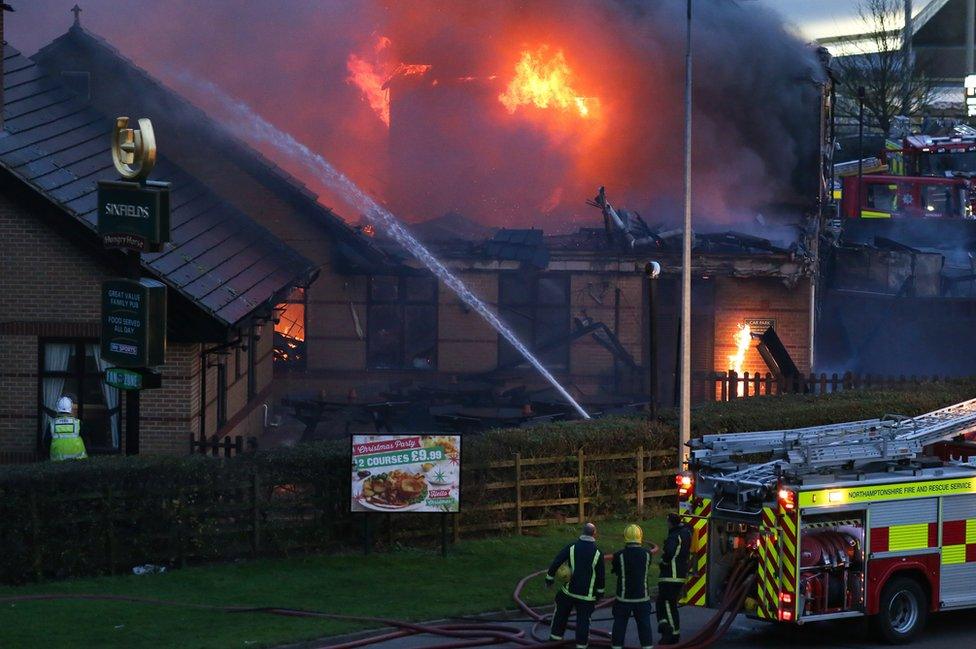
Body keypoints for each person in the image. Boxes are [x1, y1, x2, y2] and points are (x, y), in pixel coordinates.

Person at [545, 522, 605, 649]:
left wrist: (549, 578)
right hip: (587, 597)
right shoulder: (598, 553)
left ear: (582, 532)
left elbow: (558, 560)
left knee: (560, 615)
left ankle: (554, 641)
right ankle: (581, 645)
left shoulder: (572, 547)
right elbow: (601, 575)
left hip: (569, 592)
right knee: (583, 621)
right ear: (595, 534)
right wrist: (600, 593)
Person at [610, 523, 654, 649]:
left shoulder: (619, 555)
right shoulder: (647, 554)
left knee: (619, 625)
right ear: (640, 536)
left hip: (623, 599)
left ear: (626, 537)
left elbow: (616, 570)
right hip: (642, 598)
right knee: (644, 626)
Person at [657, 512, 691, 645]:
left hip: (670, 576)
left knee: (667, 604)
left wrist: (663, 563)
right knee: (662, 603)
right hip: (679, 576)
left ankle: (672, 633)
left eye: (667, 522)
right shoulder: (685, 533)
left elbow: (669, 554)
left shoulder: (673, 536)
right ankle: (664, 626)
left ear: (671, 523)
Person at [48, 396, 88, 461]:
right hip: (77, 459)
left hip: (58, 460)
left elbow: (46, 441)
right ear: (71, 408)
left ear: (58, 408)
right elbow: (86, 438)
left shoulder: (52, 423)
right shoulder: (77, 423)